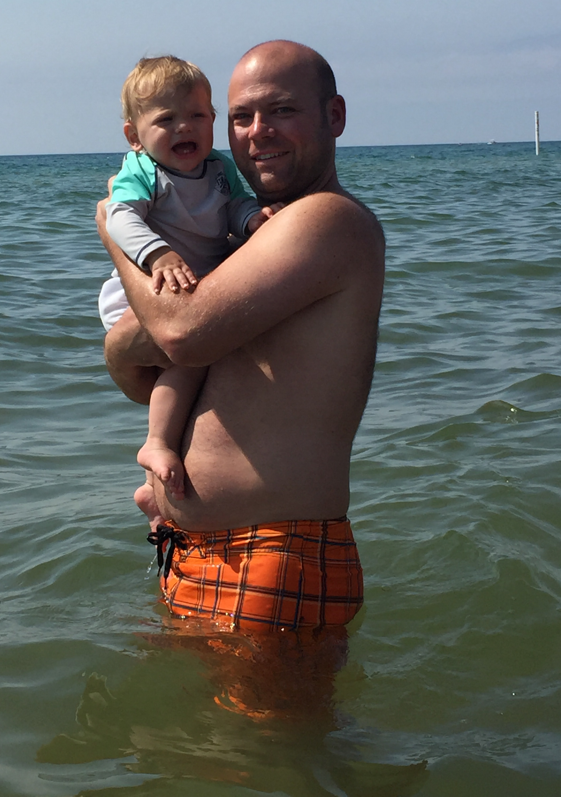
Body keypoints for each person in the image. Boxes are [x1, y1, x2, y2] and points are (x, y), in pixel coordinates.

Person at [97, 39, 385, 634]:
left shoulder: (324, 219)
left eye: (281, 110)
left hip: (273, 554)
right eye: (241, 117)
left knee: (273, 706)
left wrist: (112, 231)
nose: (258, 132)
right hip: (198, 550)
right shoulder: (245, 243)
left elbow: (179, 334)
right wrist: (123, 347)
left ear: (334, 116)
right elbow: (144, 370)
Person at [99, 56, 280, 528]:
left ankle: (156, 496)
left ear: (213, 121)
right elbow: (118, 218)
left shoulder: (218, 167)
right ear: (134, 136)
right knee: (188, 364)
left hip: (195, 285)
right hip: (147, 288)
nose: (184, 127)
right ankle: (156, 444)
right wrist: (158, 254)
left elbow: (234, 204)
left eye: (197, 115)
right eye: (166, 119)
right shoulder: (142, 170)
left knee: (202, 389)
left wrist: (251, 220)